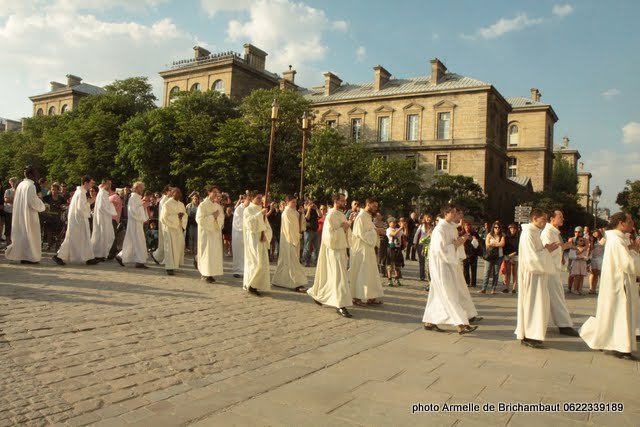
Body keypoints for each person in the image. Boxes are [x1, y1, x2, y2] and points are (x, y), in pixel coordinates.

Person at [580, 212, 640, 360]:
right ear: (621, 223)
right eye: (630, 221)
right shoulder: (617, 241)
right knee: (620, 315)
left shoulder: (617, 239)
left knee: (615, 316)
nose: (632, 224)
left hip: (617, 284)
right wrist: (635, 252)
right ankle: (621, 348)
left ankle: (617, 345)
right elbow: (628, 264)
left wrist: (631, 249)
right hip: (619, 285)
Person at [422, 205, 480, 335]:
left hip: (450, 264)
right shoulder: (439, 229)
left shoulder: (451, 227)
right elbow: (440, 250)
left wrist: (460, 241)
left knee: (438, 294)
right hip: (441, 266)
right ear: (446, 213)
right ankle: (461, 325)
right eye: (453, 213)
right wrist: (458, 242)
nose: (456, 216)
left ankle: (430, 321)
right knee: (449, 293)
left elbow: (455, 245)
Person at [515, 209, 560, 349]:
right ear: (534, 218)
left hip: (537, 275)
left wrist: (546, 250)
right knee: (532, 304)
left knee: (538, 304)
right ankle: (529, 335)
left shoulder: (534, 232)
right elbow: (532, 258)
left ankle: (533, 334)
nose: (545, 222)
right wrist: (547, 251)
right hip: (532, 275)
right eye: (543, 219)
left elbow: (537, 253)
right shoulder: (528, 233)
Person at [307, 193, 353, 318]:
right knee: (339, 278)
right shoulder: (331, 215)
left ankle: (320, 296)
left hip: (341, 249)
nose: (344, 203)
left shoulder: (341, 214)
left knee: (336, 277)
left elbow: (345, 230)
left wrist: (347, 226)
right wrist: (343, 228)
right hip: (333, 250)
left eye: (345, 201)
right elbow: (328, 236)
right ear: (335, 201)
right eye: (342, 201)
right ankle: (340, 305)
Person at [540, 210, 580, 337]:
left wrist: (565, 246)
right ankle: (564, 325)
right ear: (552, 219)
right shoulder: (548, 232)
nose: (563, 219)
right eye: (560, 217)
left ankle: (552, 323)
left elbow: (555, 248)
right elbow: (546, 249)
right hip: (550, 270)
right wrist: (563, 247)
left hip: (553, 269)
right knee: (557, 297)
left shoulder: (553, 232)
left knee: (554, 297)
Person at [53, 176, 100, 265]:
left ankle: (89, 258)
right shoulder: (81, 193)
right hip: (79, 220)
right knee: (72, 239)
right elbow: (81, 208)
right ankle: (59, 256)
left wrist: (91, 201)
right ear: (85, 183)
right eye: (91, 183)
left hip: (79, 219)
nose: (92, 185)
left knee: (83, 238)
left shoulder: (81, 192)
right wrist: (89, 204)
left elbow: (82, 205)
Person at [4, 166, 46, 263]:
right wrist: (43, 206)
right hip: (29, 215)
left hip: (21, 215)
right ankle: (30, 257)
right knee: (31, 235)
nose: (38, 175)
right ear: (31, 174)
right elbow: (33, 202)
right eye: (36, 173)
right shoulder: (31, 186)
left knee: (24, 235)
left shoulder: (21, 184)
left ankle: (24, 256)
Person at [349, 198, 384, 306]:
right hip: (361, 249)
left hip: (368, 249)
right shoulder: (361, 217)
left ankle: (370, 297)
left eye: (376, 207)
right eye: (374, 206)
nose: (375, 209)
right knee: (361, 273)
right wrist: (376, 231)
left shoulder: (367, 217)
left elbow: (369, 231)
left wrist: (376, 231)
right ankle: (356, 298)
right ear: (368, 204)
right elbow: (361, 233)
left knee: (370, 273)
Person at [272, 195, 307, 292]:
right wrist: (297, 234)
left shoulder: (295, 212)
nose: (295, 204)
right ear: (287, 202)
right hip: (289, 239)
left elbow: (300, 223)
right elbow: (290, 227)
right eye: (293, 202)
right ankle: (296, 283)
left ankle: (278, 280)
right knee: (292, 261)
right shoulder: (286, 212)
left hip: (294, 239)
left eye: (295, 202)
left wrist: (301, 214)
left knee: (287, 261)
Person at [242, 192, 272, 296]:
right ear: (252, 198)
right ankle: (250, 285)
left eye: (261, 198)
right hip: (253, 239)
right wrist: (260, 214)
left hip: (261, 239)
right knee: (255, 262)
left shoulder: (260, 209)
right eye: (258, 198)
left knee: (262, 262)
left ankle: (255, 284)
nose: (260, 200)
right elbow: (250, 224)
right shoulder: (248, 210)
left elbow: (266, 225)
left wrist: (266, 235)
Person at [115, 182, 149, 269]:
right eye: (141, 188)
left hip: (137, 223)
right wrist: (143, 207)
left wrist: (143, 207)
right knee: (138, 241)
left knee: (132, 242)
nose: (142, 190)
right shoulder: (133, 198)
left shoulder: (136, 198)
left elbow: (138, 209)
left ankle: (121, 256)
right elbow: (133, 211)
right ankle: (139, 262)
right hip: (134, 223)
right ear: (137, 188)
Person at [196, 185, 224, 283]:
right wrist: (212, 216)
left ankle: (210, 273)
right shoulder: (203, 205)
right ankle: (204, 273)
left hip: (215, 233)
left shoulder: (218, 206)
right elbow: (199, 219)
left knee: (213, 254)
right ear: (209, 192)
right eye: (214, 192)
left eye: (218, 192)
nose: (217, 194)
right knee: (206, 253)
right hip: (206, 233)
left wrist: (217, 218)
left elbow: (221, 219)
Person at [160, 187, 187, 276]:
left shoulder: (181, 204)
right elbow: (163, 217)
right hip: (170, 229)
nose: (178, 194)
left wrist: (182, 217)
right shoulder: (167, 204)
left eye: (179, 193)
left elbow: (185, 215)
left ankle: (175, 264)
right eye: (176, 192)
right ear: (172, 193)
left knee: (178, 246)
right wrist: (176, 217)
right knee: (170, 248)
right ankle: (169, 267)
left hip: (178, 228)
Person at [90, 179, 117, 261]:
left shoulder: (104, 193)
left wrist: (110, 205)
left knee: (106, 236)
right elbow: (103, 207)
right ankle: (98, 254)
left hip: (105, 218)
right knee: (102, 236)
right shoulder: (102, 193)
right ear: (104, 184)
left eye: (110, 184)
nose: (110, 186)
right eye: (109, 184)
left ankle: (101, 254)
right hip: (103, 219)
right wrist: (112, 206)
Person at [480, 221, 505, 294]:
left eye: (498, 227)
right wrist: (497, 244)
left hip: (499, 256)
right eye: (495, 227)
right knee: (486, 272)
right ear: (493, 228)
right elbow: (487, 244)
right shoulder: (489, 235)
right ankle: (484, 288)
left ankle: (493, 289)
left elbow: (502, 244)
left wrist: (493, 244)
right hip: (489, 256)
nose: (497, 229)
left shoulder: (502, 235)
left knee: (496, 272)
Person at [151, 185, 172, 265]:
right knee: (165, 242)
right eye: (170, 190)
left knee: (164, 242)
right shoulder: (164, 200)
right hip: (164, 223)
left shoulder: (167, 199)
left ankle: (157, 256)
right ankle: (162, 258)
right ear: (166, 191)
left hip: (166, 222)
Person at [42, 183, 66, 250]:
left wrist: (62, 206)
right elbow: (42, 204)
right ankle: (49, 245)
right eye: (52, 189)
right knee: (49, 232)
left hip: (58, 217)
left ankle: (57, 246)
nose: (54, 191)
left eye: (55, 190)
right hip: (49, 217)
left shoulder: (61, 198)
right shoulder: (47, 197)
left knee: (58, 232)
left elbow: (64, 205)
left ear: (58, 190)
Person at [232, 195, 250, 278]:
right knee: (238, 252)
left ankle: (244, 270)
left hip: (246, 234)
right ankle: (237, 270)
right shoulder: (239, 209)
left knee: (245, 253)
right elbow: (238, 222)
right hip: (238, 233)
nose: (249, 202)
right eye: (248, 200)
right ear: (244, 200)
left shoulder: (249, 209)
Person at [461, 221, 481, 287]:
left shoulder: (474, 233)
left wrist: (474, 239)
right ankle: (466, 282)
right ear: (463, 226)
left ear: (470, 226)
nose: (467, 227)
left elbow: (478, 243)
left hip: (473, 253)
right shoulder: (462, 233)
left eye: (468, 225)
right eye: (465, 226)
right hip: (465, 253)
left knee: (474, 268)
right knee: (465, 269)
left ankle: (473, 283)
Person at [386, 217, 404, 287]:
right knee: (390, 265)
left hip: (398, 248)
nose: (394, 224)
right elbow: (393, 234)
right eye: (392, 222)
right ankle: (389, 280)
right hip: (391, 248)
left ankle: (397, 279)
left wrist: (405, 227)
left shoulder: (397, 229)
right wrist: (401, 228)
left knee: (398, 265)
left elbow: (405, 234)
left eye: (395, 222)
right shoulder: (388, 230)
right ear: (389, 223)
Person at [502, 223, 520, 293]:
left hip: (516, 255)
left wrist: (513, 255)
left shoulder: (519, 237)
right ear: (509, 229)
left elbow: (520, 248)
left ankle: (514, 288)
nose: (512, 229)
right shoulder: (506, 237)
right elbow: (504, 247)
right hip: (507, 256)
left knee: (514, 273)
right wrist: (508, 256)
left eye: (514, 228)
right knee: (508, 273)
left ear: (516, 229)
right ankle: (507, 287)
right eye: (511, 228)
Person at [302, 198, 320, 267]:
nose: (311, 204)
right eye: (310, 203)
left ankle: (315, 262)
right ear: (306, 204)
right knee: (307, 247)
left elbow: (320, 215)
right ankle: (306, 262)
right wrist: (309, 209)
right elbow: (307, 218)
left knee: (316, 247)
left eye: (312, 203)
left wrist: (316, 209)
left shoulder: (315, 210)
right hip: (308, 231)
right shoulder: (305, 210)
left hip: (315, 230)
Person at [588, 229, 605, 294]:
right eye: (593, 233)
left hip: (601, 258)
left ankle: (603, 290)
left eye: (595, 232)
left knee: (601, 274)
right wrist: (591, 241)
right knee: (593, 274)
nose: (594, 234)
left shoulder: (604, 239)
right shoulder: (593, 240)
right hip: (593, 258)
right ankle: (592, 289)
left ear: (599, 232)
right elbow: (591, 249)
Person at [3, 177, 18, 244]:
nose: (13, 183)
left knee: (16, 228)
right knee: (8, 227)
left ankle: (14, 242)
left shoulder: (19, 191)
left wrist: (11, 199)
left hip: (16, 212)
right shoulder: (8, 191)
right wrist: (15, 200)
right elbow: (6, 200)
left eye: (14, 182)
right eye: (12, 182)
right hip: (8, 211)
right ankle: (8, 243)